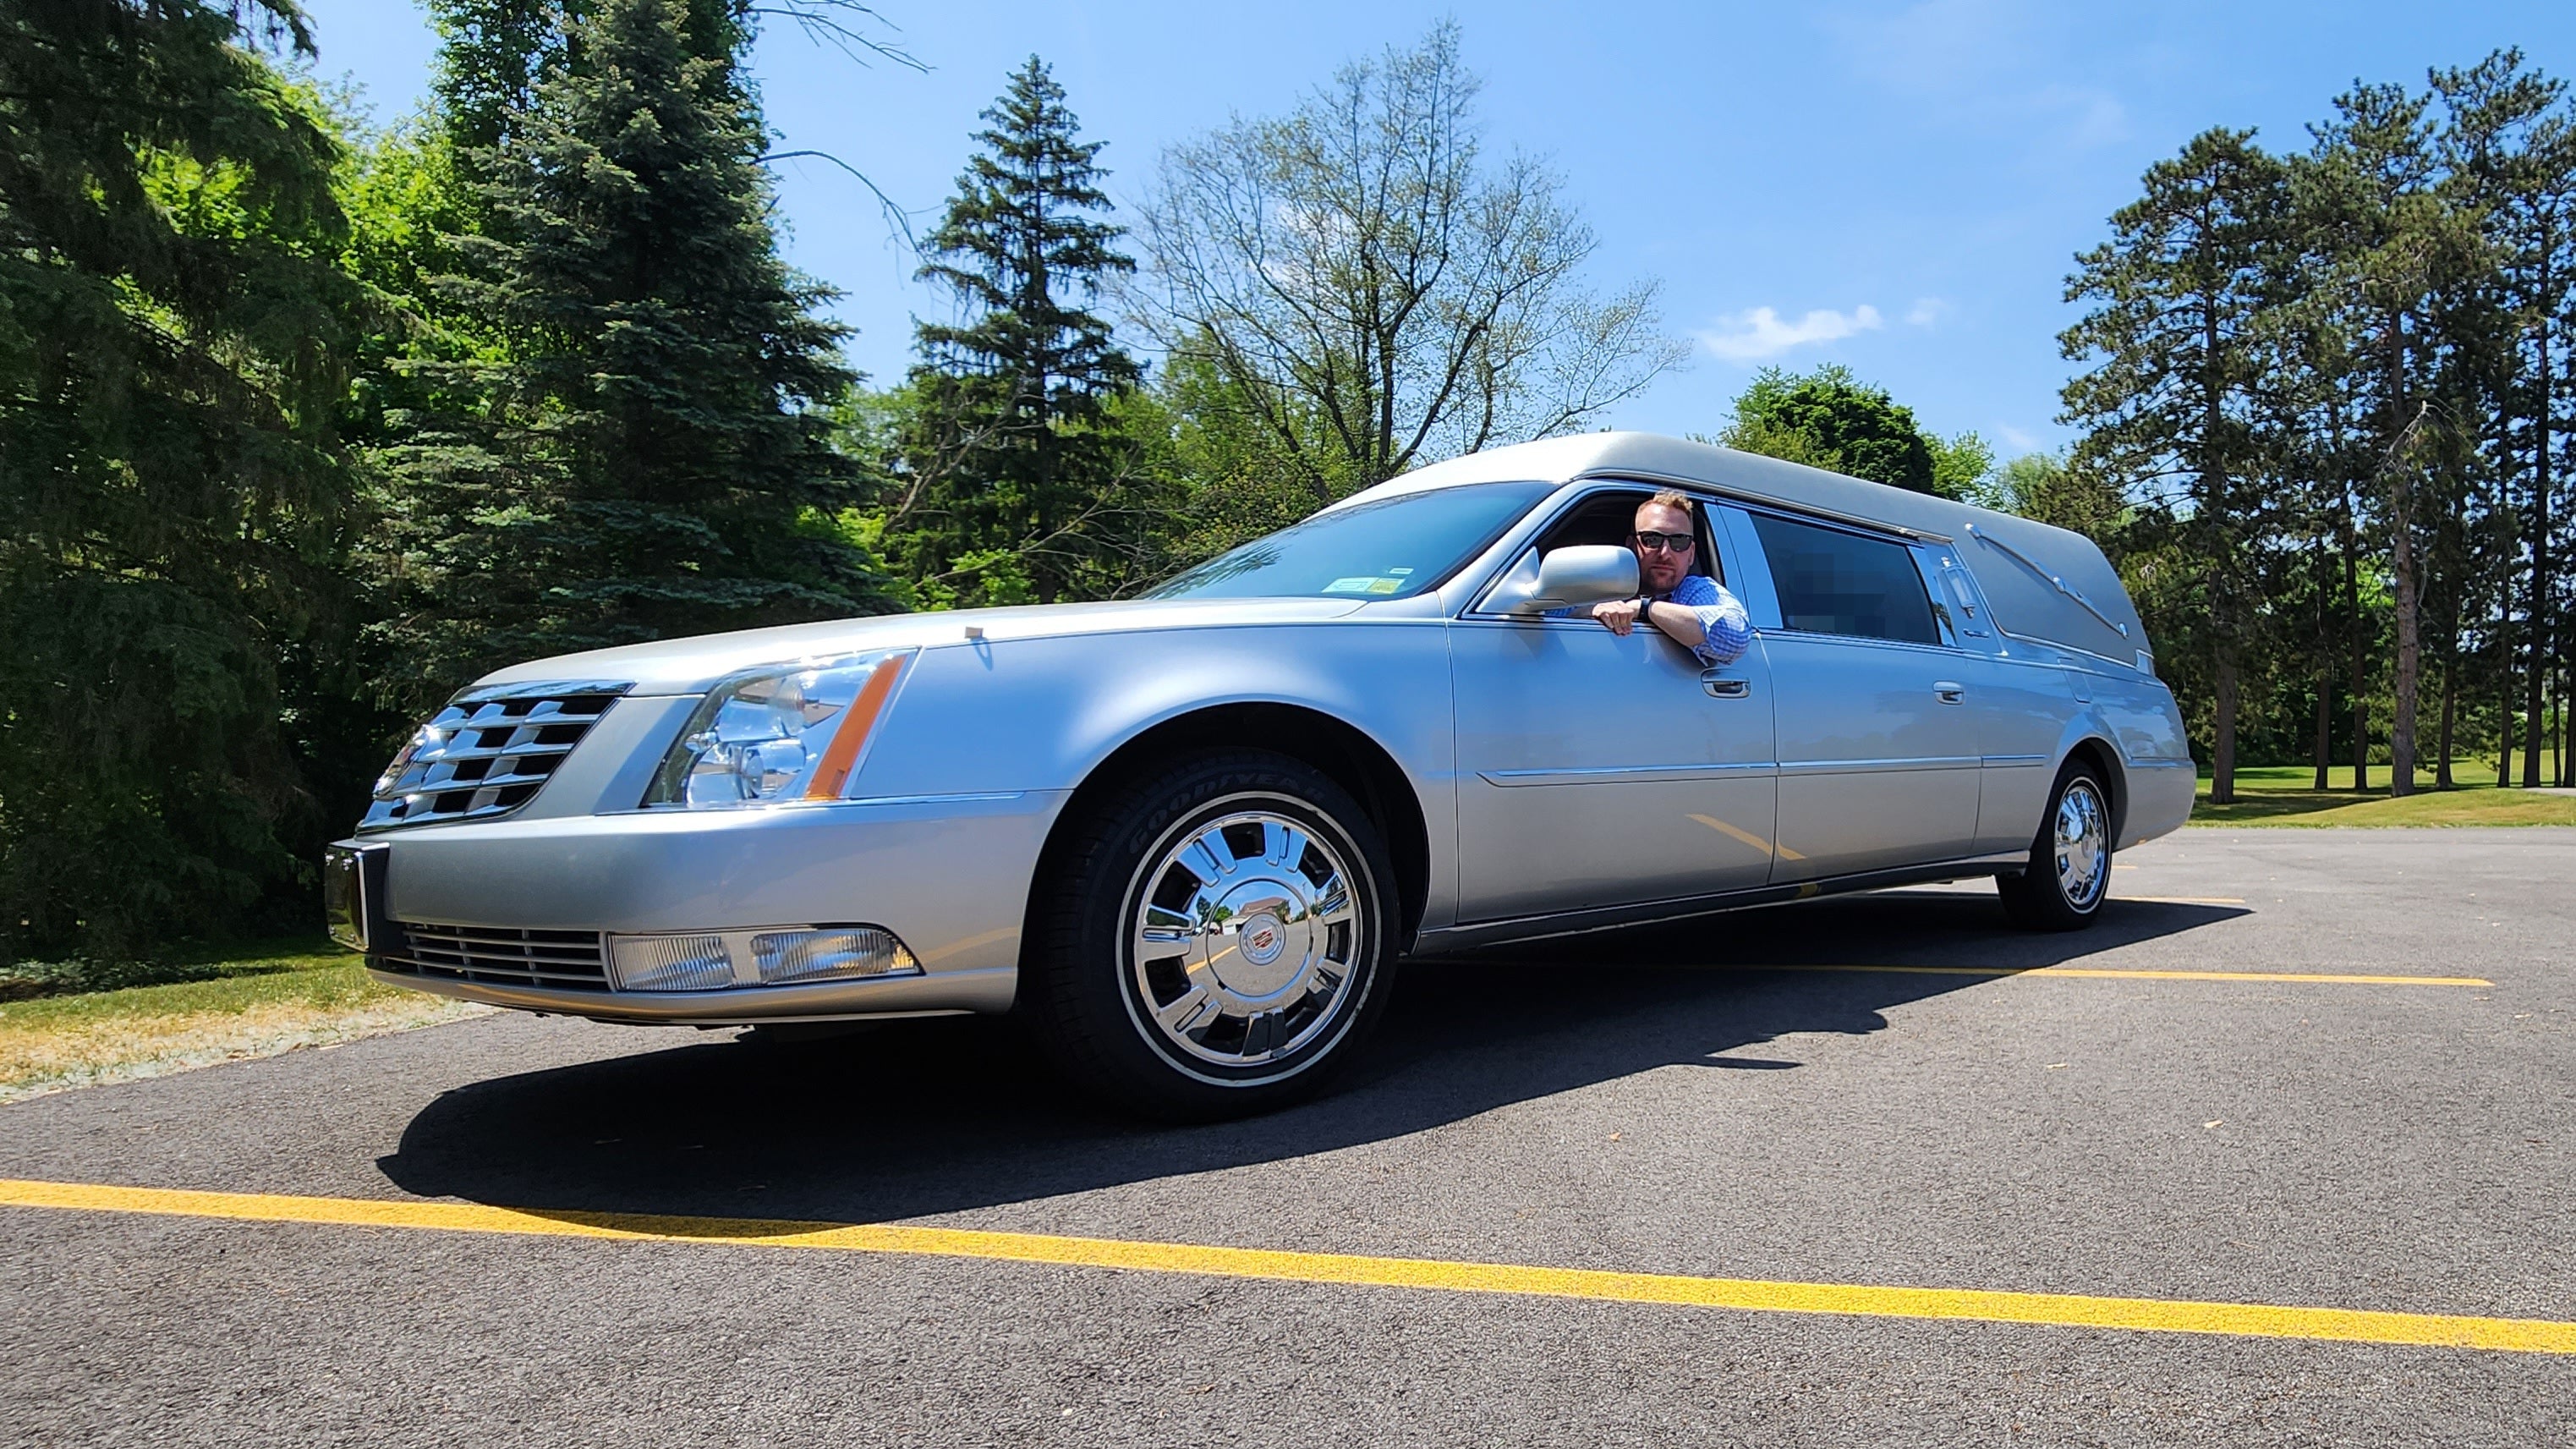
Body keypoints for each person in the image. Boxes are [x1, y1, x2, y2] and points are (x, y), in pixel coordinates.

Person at [1568, 491, 1751, 667]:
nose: (1665, 553)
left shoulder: (1694, 592)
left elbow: (1735, 637)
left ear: (1691, 554)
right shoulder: (1599, 585)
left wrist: (1644, 609)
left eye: (1679, 541)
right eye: (1652, 539)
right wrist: (1590, 612)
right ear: (1631, 546)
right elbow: (1546, 616)